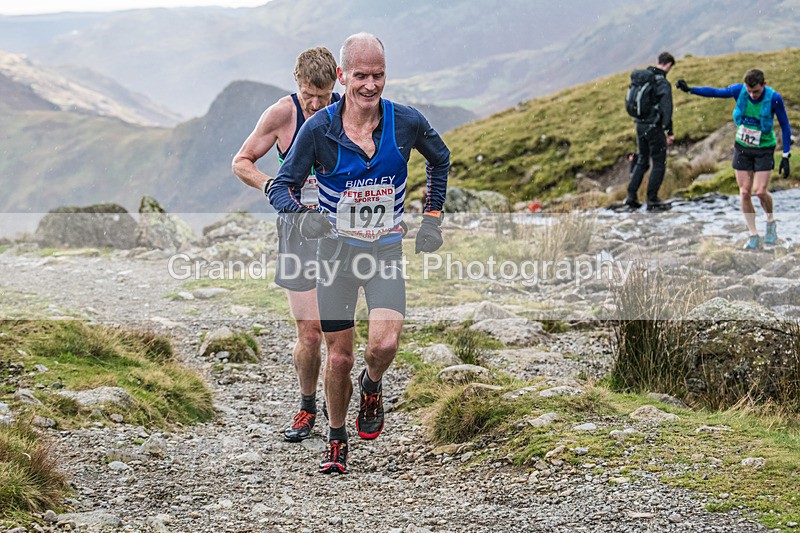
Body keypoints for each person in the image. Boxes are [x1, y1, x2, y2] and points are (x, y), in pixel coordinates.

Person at [268, 32, 450, 474]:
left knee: (383, 344)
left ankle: (372, 385)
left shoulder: (405, 122)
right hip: (335, 261)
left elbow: (440, 159)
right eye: (361, 76)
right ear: (342, 76)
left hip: (385, 254)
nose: (370, 85)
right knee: (340, 357)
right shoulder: (319, 128)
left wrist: (432, 218)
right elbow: (280, 186)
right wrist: (302, 216)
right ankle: (336, 438)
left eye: (379, 75)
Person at [232, 47, 339, 443]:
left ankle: (337, 405)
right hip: (296, 231)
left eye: (323, 95)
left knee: (335, 331)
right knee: (309, 332)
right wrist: (272, 186)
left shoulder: (348, 112)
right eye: (309, 94)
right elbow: (241, 161)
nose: (315, 104)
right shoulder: (282, 113)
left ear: (336, 84)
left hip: (337, 231)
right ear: (297, 83)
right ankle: (307, 406)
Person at [676, 69, 791, 250]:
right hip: (742, 148)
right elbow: (715, 92)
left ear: (764, 85)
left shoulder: (774, 98)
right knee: (745, 192)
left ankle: (770, 221)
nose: (752, 95)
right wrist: (690, 90)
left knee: (760, 191)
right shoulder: (739, 91)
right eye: (749, 91)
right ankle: (753, 234)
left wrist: (786, 155)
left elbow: (785, 126)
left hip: (764, 149)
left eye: (756, 92)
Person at [625, 52, 676, 211]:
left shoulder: (643, 80)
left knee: (642, 160)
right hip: (654, 127)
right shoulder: (661, 83)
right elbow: (667, 109)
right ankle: (652, 199)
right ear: (668, 65)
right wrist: (669, 130)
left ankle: (631, 196)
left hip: (640, 125)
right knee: (659, 162)